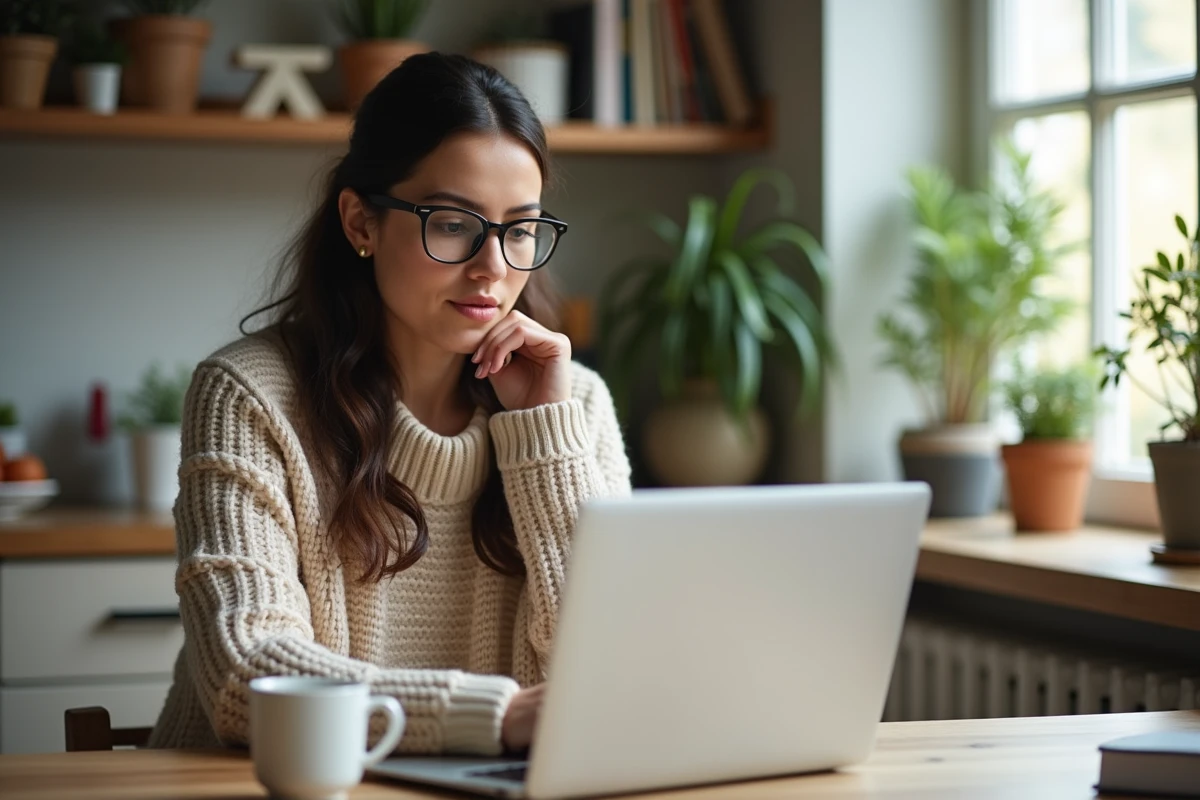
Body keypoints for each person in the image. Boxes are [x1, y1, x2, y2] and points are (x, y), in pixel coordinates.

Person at [147, 53, 632, 757]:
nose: (494, 267)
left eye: (520, 229)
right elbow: (246, 670)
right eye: (453, 222)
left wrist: (542, 436)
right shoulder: (249, 395)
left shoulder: (574, 402)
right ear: (360, 223)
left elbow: (619, 667)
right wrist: (492, 718)